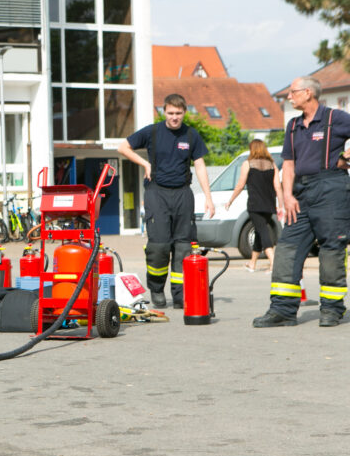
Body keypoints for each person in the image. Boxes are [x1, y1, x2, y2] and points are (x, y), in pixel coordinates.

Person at [252, 76, 350, 328]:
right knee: (286, 248)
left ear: (308, 93)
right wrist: (287, 195)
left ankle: (331, 309)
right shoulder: (293, 125)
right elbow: (289, 163)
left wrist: (346, 157)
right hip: (300, 193)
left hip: (331, 189)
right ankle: (282, 310)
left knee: (331, 249)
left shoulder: (334, 118)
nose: (289, 97)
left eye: (293, 92)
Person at [118, 93, 215, 309]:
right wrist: (145, 164)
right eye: (170, 113)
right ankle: (156, 289)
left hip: (182, 193)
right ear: (164, 112)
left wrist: (208, 197)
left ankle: (180, 294)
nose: (174, 118)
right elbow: (123, 147)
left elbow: (199, 165)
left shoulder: (191, 135)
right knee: (159, 245)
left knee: (183, 247)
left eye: (178, 114)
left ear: (184, 113)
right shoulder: (152, 132)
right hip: (157, 193)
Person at [223, 139, 283, 272]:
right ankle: (252, 263)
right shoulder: (273, 165)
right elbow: (278, 187)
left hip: (255, 205)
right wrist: (280, 205)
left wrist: (230, 200)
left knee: (263, 232)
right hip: (269, 205)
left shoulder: (248, 164)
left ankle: (273, 262)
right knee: (259, 231)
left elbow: (240, 185)